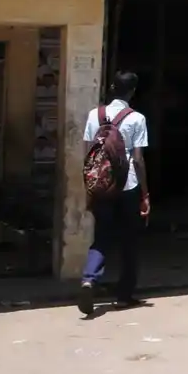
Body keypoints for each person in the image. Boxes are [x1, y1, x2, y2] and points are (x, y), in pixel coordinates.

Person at [79, 70, 151, 316]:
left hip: (101, 185)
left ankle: (89, 279)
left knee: (102, 236)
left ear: (111, 88)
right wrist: (145, 193)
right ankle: (124, 296)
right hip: (127, 185)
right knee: (129, 240)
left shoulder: (94, 115)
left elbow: (89, 154)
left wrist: (90, 187)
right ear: (132, 92)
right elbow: (138, 160)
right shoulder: (137, 118)